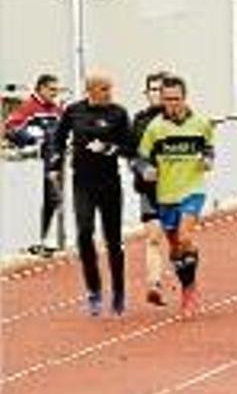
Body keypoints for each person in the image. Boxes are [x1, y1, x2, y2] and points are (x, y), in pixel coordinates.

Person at [50, 73, 133, 316]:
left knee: (113, 240)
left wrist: (109, 148)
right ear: (90, 90)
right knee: (84, 233)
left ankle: (118, 291)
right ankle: (94, 290)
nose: (109, 92)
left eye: (110, 88)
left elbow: (129, 147)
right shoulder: (74, 111)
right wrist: (55, 163)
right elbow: (58, 138)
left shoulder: (118, 113)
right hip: (82, 183)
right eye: (104, 88)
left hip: (109, 183)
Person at [137, 75, 214, 318]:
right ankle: (187, 284)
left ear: (185, 98)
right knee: (175, 248)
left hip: (192, 189)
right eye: (167, 99)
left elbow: (209, 149)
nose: (172, 104)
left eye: (176, 99)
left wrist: (208, 160)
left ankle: (189, 294)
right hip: (165, 194)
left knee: (185, 236)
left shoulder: (201, 123)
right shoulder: (155, 128)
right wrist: (146, 169)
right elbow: (140, 158)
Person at [4, 74, 64, 257]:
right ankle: (36, 240)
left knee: (53, 200)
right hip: (34, 167)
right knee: (45, 200)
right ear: (41, 88)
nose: (55, 93)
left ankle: (40, 239)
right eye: (52, 89)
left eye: (57, 90)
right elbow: (10, 128)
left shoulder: (55, 109)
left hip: (54, 163)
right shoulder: (29, 107)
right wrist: (33, 138)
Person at [131, 71, 169, 306]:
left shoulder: (181, 118)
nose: (156, 94)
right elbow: (132, 154)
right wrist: (142, 168)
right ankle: (154, 283)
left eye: (160, 89)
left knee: (178, 242)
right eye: (152, 90)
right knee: (153, 237)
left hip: (177, 188)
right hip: (149, 188)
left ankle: (188, 285)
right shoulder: (140, 120)